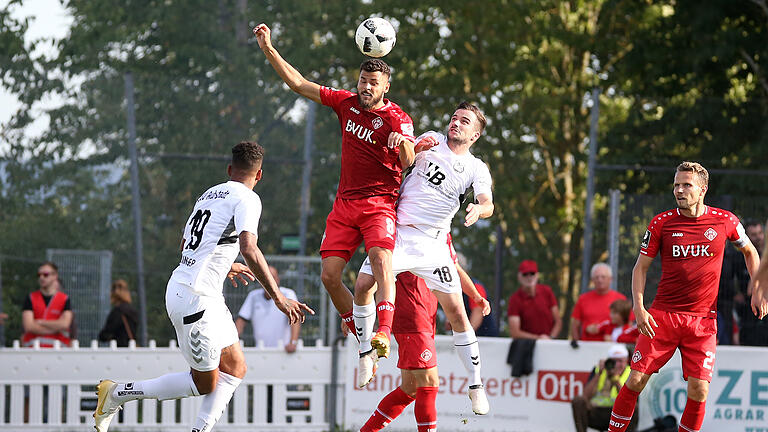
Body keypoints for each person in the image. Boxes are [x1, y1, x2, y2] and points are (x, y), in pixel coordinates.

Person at [93, 142, 314, 432]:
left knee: (235, 368)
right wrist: (278, 297)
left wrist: (225, 265)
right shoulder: (248, 198)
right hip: (194, 300)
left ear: (229, 170)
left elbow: (187, 244)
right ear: (259, 175)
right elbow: (249, 247)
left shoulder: (208, 194)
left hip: (199, 292)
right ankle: (117, 393)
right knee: (205, 383)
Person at [254, 24, 415, 347]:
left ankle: (383, 329)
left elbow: (409, 160)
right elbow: (299, 84)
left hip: (379, 204)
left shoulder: (398, 118)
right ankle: (355, 326)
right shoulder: (346, 103)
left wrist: (401, 144)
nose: (366, 87)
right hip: (344, 205)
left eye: (373, 83)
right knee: (329, 275)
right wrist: (269, 48)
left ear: (386, 86)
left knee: (382, 260)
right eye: (363, 81)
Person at [355, 102, 494, 415]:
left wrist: (478, 209)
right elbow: (404, 159)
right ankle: (365, 354)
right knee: (363, 285)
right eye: (455, 118)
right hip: (402, 234)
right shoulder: (431, 140)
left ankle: (476, 385)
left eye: (465, 121)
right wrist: (408, 144)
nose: (456, 123)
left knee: (458, 312)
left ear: (475, 135)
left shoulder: (475, 168)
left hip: (433, 246)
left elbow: (488, 203)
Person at [607, 161, 767, 432]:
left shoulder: (725, 220)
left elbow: (750, 252)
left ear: (703, 189)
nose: (679, 190)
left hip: (703, 322)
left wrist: (759, 291)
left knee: (699, 390)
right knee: (635, 380)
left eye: (686, 185)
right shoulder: (661, 223)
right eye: (676, 185)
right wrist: (639, 307)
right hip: (662, 318)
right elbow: (640, 267)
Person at [360, 241, 490, 432]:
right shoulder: (399, 228)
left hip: (424, 316)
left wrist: (475, 295)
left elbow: (453, 266)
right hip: (412, 317)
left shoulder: (438, 227)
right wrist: (357, 311)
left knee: (409, 389)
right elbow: (376, 273)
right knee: (429, 383)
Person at [235, 265, 302, 352]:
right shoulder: (253, 296)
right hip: (260, 350)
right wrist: (232, 344)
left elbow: (295, 319)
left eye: (272, 277)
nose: (269, 280)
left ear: (278, 279)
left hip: (284, 351)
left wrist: (293, 342)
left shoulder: (288, 294)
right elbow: (241, 321)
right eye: (265, 277)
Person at [572, 344, 638, 432]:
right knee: (578, 401)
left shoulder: (631, 373)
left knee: (634, 407)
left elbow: (629, 399)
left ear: (626, 361)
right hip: (596, 411)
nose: (617, 365)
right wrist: (599, 373)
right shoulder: (598, 370)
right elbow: (585, 395)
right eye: (614, 361)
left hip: (617, 414)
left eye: (620, 361)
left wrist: (615, 378)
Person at [570, 263, 628, 343]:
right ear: (592, 280)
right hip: (587, 346)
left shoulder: (620, 299)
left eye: (603, 277)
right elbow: (575, 324)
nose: (600, 280)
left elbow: (628, 324)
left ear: (610, 279)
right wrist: (576, 343)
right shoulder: (583, 299)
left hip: (612, 348)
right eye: (596, 277)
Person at [21, 261, 73, 347]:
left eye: (45, 274)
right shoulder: (30, 298)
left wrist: (41, 322)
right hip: (33, 349)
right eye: (39, 275)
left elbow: (65, 324)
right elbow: (29, 326)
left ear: (55, 276)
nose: (41, 277)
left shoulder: (64, 299)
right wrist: (56, 327)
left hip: (57, 350)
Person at [507, 259, 561, 340]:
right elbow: (515, 332)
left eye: (532, 273)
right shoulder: (515, 299)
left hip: (549, 344)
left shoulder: (547, 291)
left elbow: (558, 322)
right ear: (519, 277)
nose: (529, 277)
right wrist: (538, 339)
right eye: (525, 274)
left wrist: (550, 338)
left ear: (537, 275)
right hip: (526, 347)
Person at [97, 279, 139, 347]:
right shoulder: (133, 311)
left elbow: (105, 334)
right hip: (131, 347)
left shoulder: (117, 312)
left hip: (119, 349)